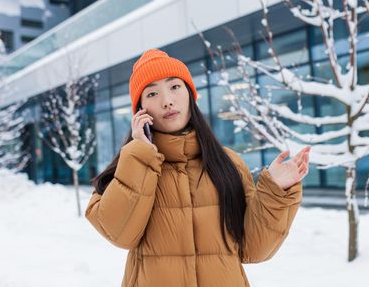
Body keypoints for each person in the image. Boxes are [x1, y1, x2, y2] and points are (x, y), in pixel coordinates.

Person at [85, 49, 310, 286]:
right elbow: (121, 235)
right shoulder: (131, 167)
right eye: (152, 93)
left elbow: (254, 249)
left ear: (190, 94)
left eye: (174, 87)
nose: (167, 101)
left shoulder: (228, 164)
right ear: (140, 110)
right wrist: (141, 156)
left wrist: (275, 191)